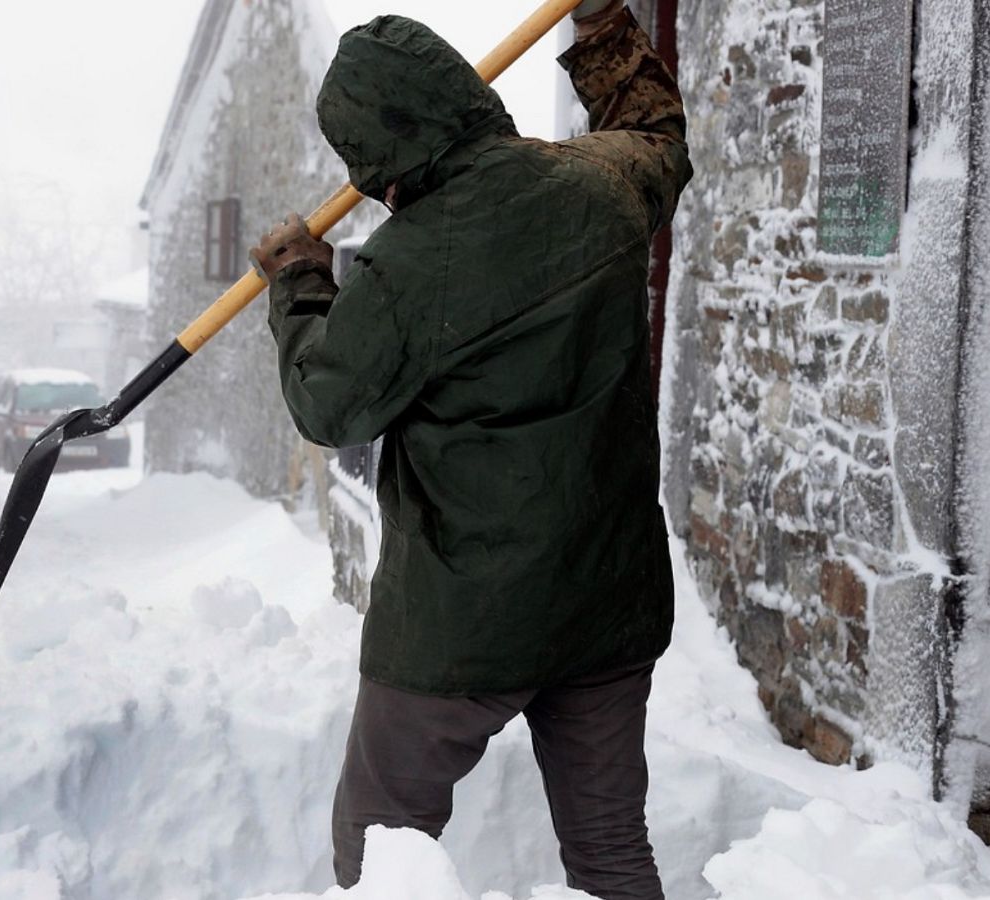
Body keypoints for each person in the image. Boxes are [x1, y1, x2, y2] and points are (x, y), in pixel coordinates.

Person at [248, 2, 691, 897]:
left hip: (460, 628)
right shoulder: (603, 185)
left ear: (371, 157)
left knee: (381, 847)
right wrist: (605, 33)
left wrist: (299, 281)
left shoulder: (401, 270)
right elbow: (656, 136)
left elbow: (328, 402)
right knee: (611, 851)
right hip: (606, 601)